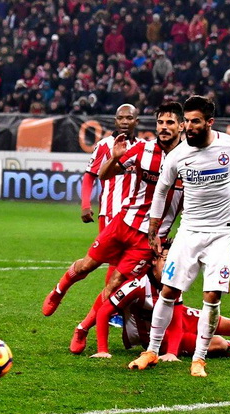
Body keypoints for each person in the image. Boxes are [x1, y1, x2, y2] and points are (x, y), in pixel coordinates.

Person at [129, 95, 230, 377]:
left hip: (221, 233)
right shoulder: (178, 155)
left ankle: (199, 359)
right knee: (169, 290)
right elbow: (161, 191)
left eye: (195, 121)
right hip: (188, 231)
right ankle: (151, 351)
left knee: (212, 295)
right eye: (186, 121)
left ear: (209, 122)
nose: (188, 127)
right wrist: (153, 229)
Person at [42, 103, 185, 356]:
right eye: (160, 123)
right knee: (87, 266)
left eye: (170, 123)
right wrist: (115, 158)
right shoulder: (143, 149)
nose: (164, 128)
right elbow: (104, 175)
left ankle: (83, 328)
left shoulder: (190, 159)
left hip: (149, 239)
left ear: (181, 126)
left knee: (115, 283)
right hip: (123, 223)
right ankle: (59, 290)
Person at [88, 245, 230, 358]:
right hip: (160, 337)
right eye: (166, 259)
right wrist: (102, 350)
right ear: (154, 261)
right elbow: (104, 311)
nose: (170, 265)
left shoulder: (174, 283)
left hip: (181, 321)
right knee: (219, 344)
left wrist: (172, 354)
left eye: (173, 260)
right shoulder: (137, 286)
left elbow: (177, 319)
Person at [79, 103, 141, 328]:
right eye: (120, 118)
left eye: (129, 118)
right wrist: (85, 205)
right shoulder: (105, 145)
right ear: (115, 121)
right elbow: (90, 175)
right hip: (110, 212)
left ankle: (121, 308)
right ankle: (112, 310)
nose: (124, 121)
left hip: (135, 214)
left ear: (136, 121)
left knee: (131, 263)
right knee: (115, 262)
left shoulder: (143, 147)